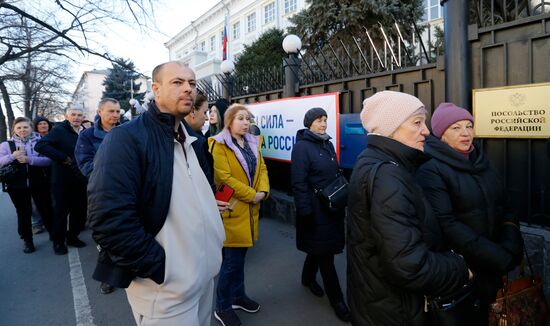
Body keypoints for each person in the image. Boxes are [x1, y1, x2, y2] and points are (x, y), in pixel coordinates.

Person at [87, 61, 225, 325]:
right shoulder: (126, 138)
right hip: (165, 294)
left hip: (204, 281)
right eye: (177, 82)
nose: (188, 89)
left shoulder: (189, 138)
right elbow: (109, 221)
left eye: (192, 84)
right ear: (156, 89)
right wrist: (163, 270)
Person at [347, 91, 472, 326]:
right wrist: (461, 268)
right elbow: (410, 266)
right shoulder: (388, 175)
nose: (425, 130)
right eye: (417, 122)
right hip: (397, 310)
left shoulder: (375, 160)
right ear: (390, 127)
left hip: (380, 303)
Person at [416, 102, 524, 325]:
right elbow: (447, 223)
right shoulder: (431, 168)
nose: (465, 133)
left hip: (495, 260)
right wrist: (495, 255)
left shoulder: (480, 160)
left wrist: (511, 243)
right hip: (465, 268)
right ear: (441, 133)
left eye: (468, 126)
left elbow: (505, 205)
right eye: (455, 128)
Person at [209, 103, 270, 326]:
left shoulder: (252, 142)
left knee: (240, 258)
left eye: (248, 119)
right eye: (241, 118)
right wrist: (252, 195)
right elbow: (223, 177)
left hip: (250, 208)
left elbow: (262, 168)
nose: (246, 123)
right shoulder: (218, 144)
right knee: (231, 262)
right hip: (233, 209)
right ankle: (222, 306)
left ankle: (238, 296)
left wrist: (263, 191)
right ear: (229, 121)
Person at [290, 107, 351, 322]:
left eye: (325, 120)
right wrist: (305, 211)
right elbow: (298, 183)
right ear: (309, 124)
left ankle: (307, 279)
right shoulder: (301, 148)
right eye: (318, 120)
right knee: (326, 256)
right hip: (315, 211)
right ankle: (338, 302)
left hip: (331, 207)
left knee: (319, 248)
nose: (323, 124)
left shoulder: (327, 143)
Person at [74, 97, 121, 295]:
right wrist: (111, 165)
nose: (115, 115)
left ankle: (128, 269)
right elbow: (85, 165)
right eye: (111, 111)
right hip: (101, 193)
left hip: (128, 190)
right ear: (100, 112)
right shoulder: (87, 136)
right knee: (107, 236)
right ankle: (107, 276)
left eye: (118, 112)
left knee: (128, 232)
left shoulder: (125, 131)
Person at [35, 107, 88, 255]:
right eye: (73, 115)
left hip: (81, 178)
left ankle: (72, 237)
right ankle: (58, 242)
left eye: (79, 115)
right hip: (62, 180)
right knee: (61, 213)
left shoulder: (85, 131)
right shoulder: (59, 130)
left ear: (83, 116)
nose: (76, 117)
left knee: (80, 211)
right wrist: (62, 157)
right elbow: (40, 145)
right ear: (66, 116)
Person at [0, 117, 53, 253]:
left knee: (46, 209)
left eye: (25, 127)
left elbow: (49, 160)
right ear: (14, 130)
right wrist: (12, 156)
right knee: (23, 213)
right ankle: (27, 240)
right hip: (16, 185)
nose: (22, 130)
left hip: (39, 182)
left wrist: (30, 160)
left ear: (31, 128)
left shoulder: (40, 141)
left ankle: (54, 235)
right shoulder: (6, 145)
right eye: (19, 128)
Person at [184, 92, 214, 190]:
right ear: (192, 111)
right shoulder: (195, 142)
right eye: (205, 112)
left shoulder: (198, 138)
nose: (207, 118)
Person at [30, 116, 54, 234]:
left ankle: (53, 220)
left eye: (45, 123)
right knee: (36, 201)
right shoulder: (33, 139)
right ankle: (37, 223)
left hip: (53, 170)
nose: (43, 126)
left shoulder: (54, 135)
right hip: (38, 172)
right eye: (40, 124)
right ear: (36, 127)